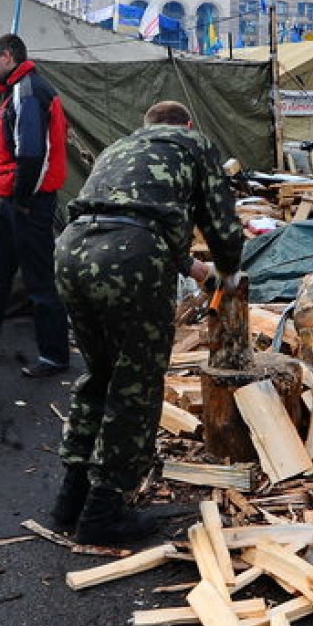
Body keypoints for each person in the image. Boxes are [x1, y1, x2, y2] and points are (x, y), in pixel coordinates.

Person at [51, 100, 245, 545]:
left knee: (100, 373)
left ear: (146, 127)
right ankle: (105, 508)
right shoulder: (194, 143)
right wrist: (228, 272)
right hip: (130, 255)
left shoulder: (119, 148)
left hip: (72, 249)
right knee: (135, 382)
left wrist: (190, 267)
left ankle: (71, 496)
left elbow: (141, 208)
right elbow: (221, 221)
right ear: (187, 125)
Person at [0, 33, 71, 379]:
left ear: (8, 56)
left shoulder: (28, 92)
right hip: (16, 199)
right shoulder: (22, 89)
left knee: (38, 279)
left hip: (28, 201)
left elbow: (33, 153)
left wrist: (22, 200)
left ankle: (54, 356)